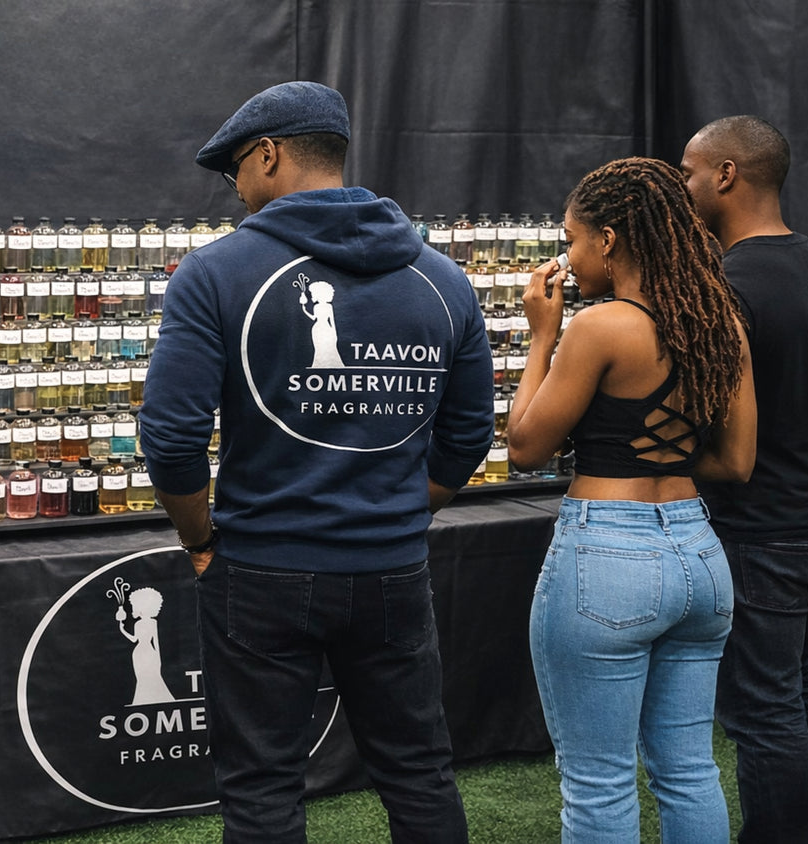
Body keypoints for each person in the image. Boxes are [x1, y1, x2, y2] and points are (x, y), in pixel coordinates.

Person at [139, 80, 492, 843]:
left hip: (261, 567)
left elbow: (170, 440)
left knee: (262, 787)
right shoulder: (444, 280)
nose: (236, 189)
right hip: (392, 567)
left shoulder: (214, 273)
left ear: (268, 155)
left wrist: (200, 541)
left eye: (236, 169)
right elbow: (467, 437)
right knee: (419, 772)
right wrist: (402, 513)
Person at [507, 156, 757, 842]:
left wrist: (541, 337)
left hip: (607, 557)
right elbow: (735, 462)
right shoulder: (721, 326)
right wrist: (660, 456)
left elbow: (525, 448)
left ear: (610, 239)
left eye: (573, 240)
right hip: (699, 556)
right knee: (691, 769)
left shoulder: (599, 327)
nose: (568, 257)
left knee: (599, 783)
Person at [681, 115, 808, 844]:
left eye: (688, 172)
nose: (682, 186)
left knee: (764, 707)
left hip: (766, 528)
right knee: (797, 681)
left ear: (726, 175)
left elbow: (720, 431)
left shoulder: (724, 285)